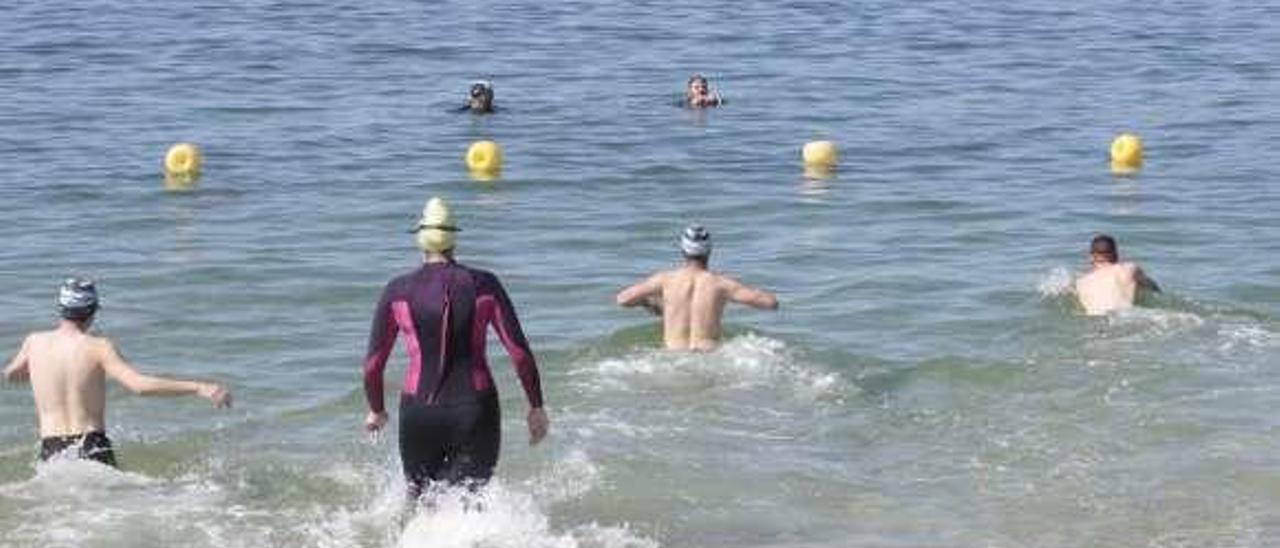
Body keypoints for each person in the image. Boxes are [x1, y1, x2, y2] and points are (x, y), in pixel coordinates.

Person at [362, 196, 548, 500]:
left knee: (423, 503)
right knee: (470, 503)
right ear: (453, 240)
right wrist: (535, 407)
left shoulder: (397, 290)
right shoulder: (484, 284)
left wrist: (376, 409)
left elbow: (373, 365)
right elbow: (518, 353)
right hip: (475, 410)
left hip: (418, 413)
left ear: (420, 240)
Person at [2, 278, 231, 468]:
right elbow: (139, 386)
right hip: (91, 446)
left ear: (61, 310)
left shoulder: (34, 343)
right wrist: (199, 387)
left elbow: (12, 374)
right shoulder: (99, 346)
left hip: (52, 450)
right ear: (91, 312)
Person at [616, 225, 778, 351]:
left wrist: (651, 304)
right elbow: (771, 304)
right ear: (709, 251)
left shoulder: (665, 280)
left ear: (683, 251)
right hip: (708, 357)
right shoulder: (721, 284)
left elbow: (623, 299)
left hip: (673, 357)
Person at [1075, 234, 1161, 316]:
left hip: (1096, 324)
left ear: (1092, 256)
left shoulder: (1080, 283)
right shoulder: (1129, 269)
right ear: (1116, 254)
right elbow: (1152, 287)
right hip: (1125, 317)